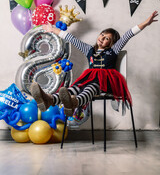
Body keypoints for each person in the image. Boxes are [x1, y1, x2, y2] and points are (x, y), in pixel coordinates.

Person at [30, 11, 158, 117]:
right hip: (89, 78)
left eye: (106, 38)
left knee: (90, 89)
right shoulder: (89, 49)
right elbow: (71, 39)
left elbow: (128, 35)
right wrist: (53, 30)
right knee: (75, 88)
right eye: (102, 35)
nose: (102, 38)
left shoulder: (113, 50)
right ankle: (50, 99)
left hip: (104, 82)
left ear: (111, 43)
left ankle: (75, 102)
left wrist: (146, 23)